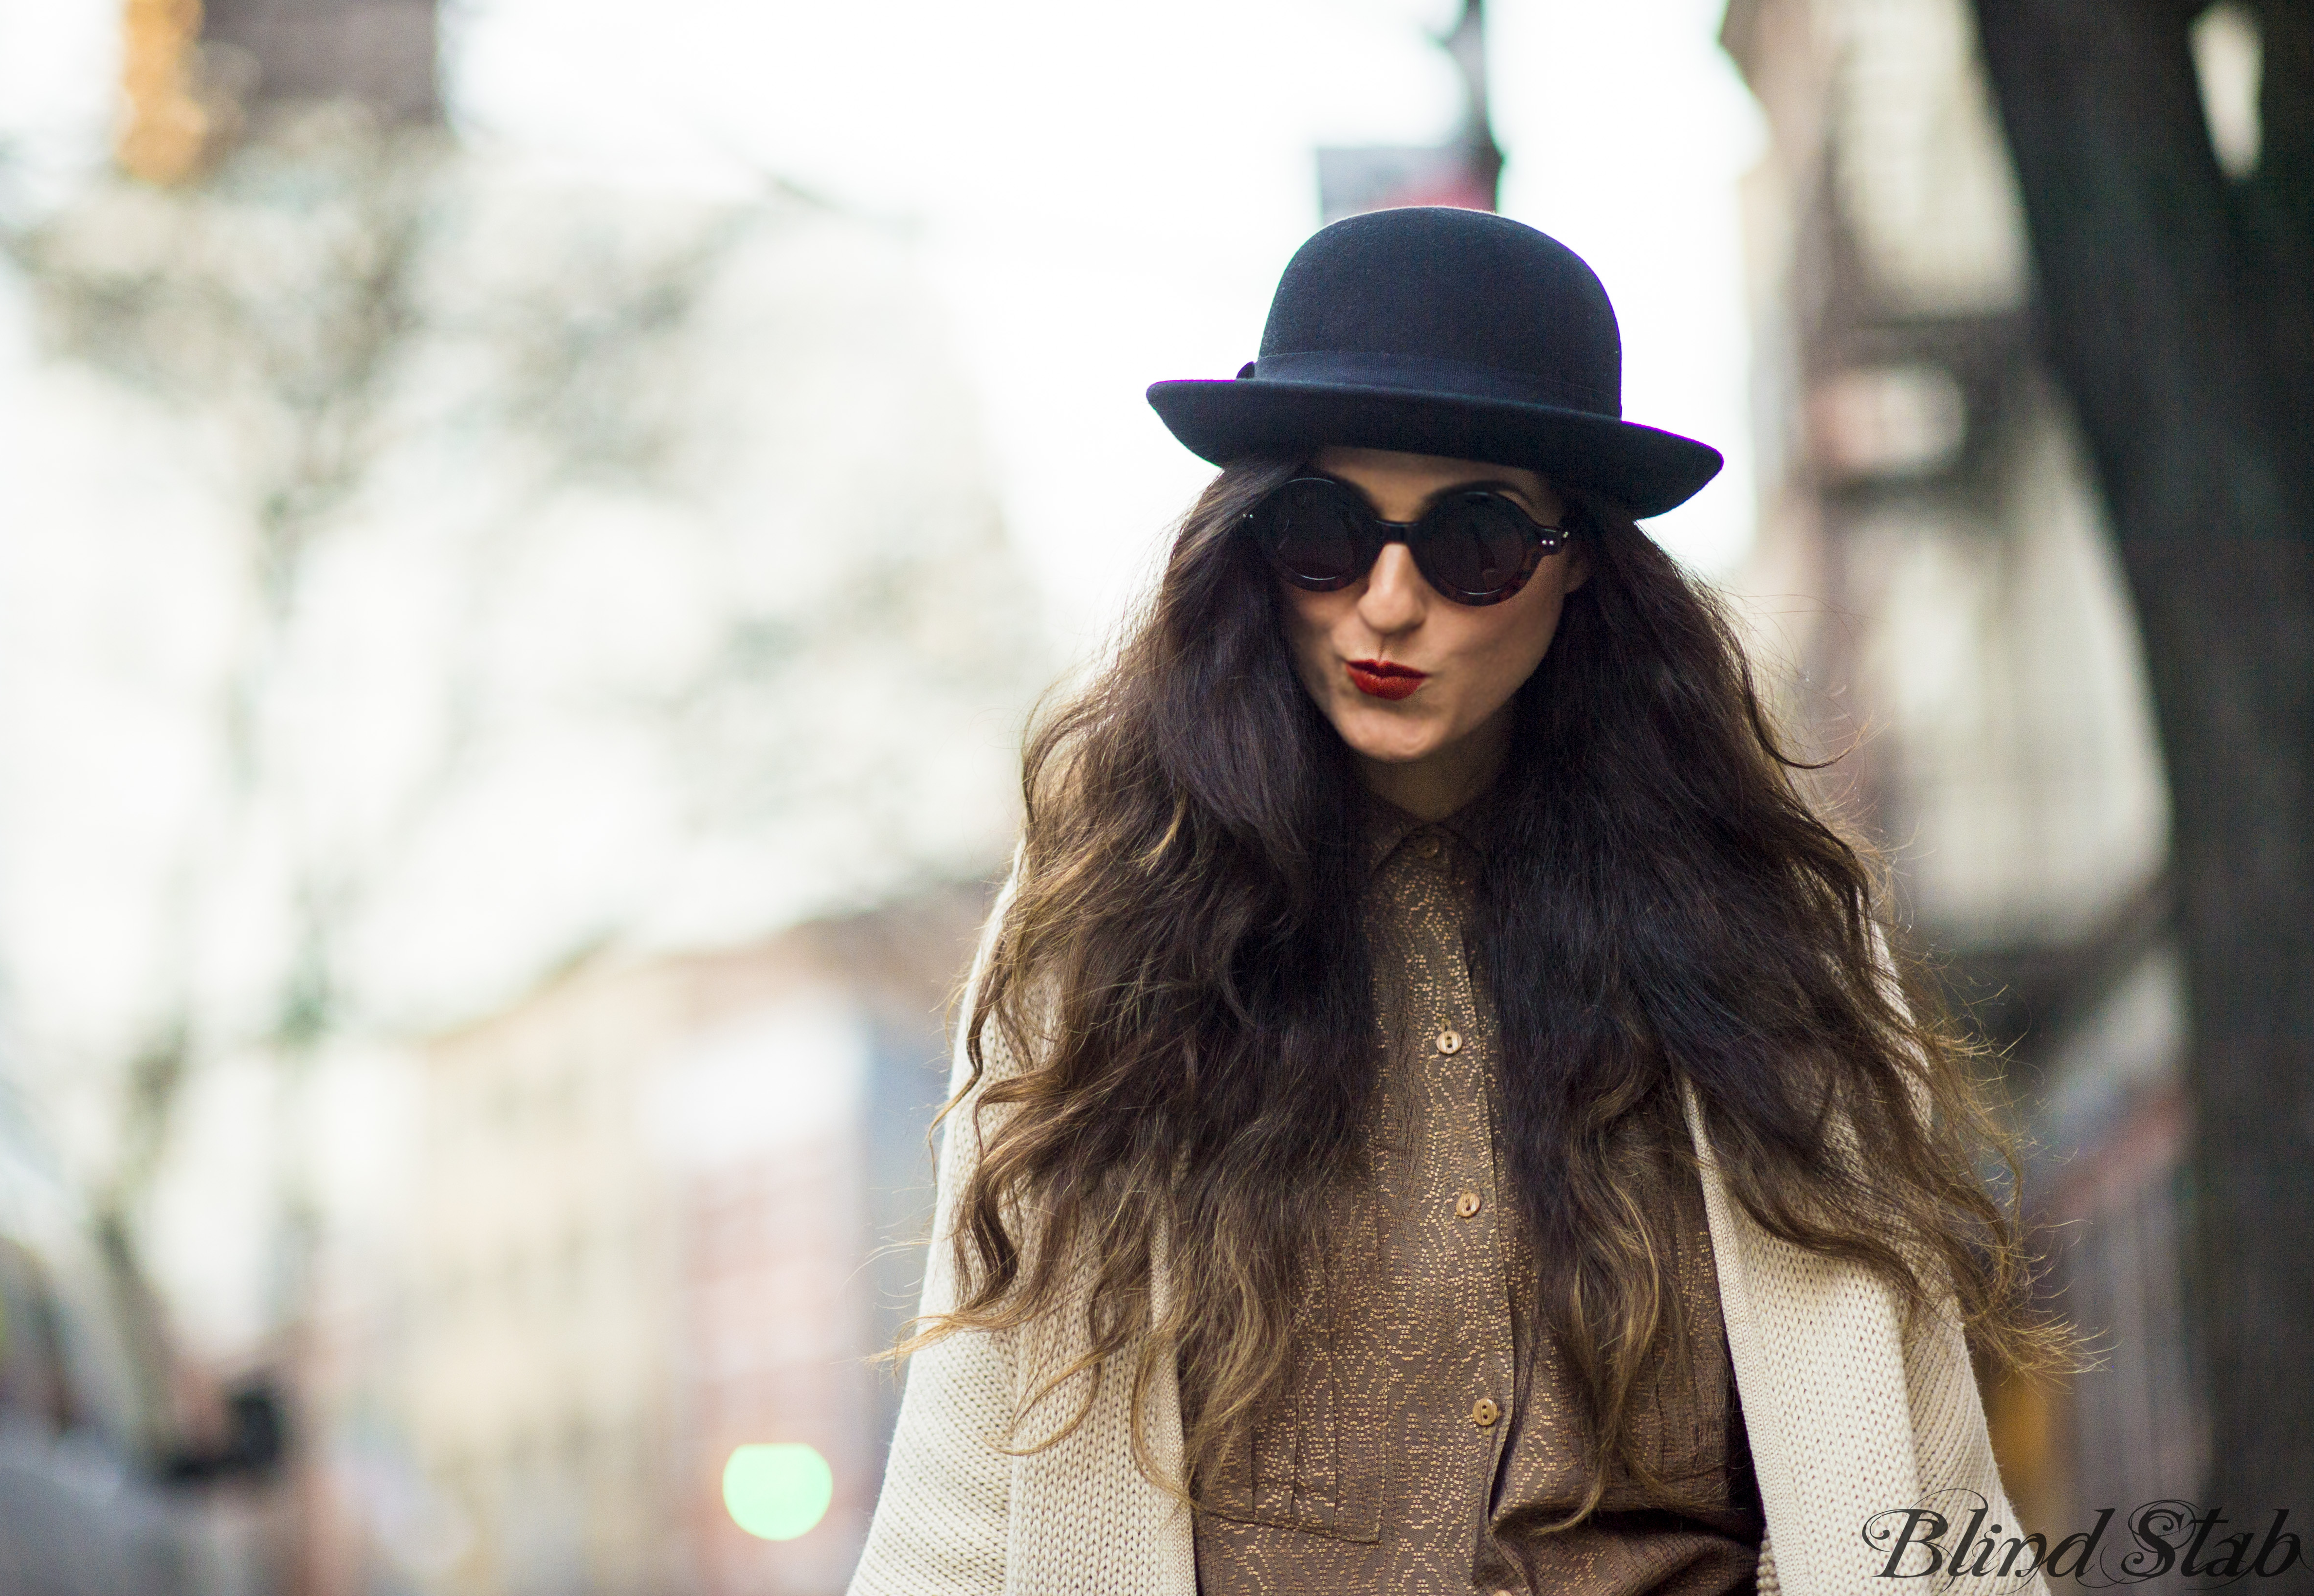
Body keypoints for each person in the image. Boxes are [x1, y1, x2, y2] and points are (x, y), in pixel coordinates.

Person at [849, 208, 2057, 1596]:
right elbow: (961, 1498)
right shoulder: (1104, 936)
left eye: (1474, 541)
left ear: (1580, 554)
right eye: (1324, 531)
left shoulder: (1770, 941)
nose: (1388, 602)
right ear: (1252, 547)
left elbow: (1923, 1487)